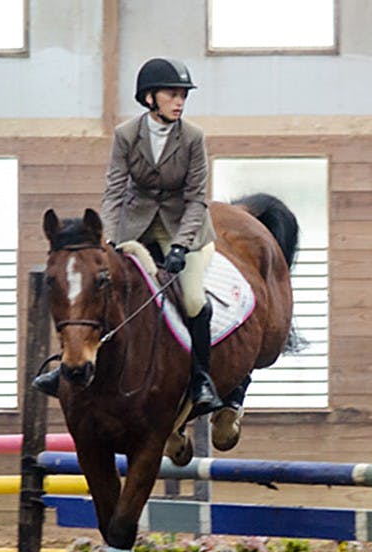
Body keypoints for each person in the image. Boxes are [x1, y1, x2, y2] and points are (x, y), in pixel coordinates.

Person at [33, 57, 223, 418]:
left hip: (183, 227)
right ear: (150, 98)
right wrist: (105, 239)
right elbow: (115, 190)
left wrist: (181, 245)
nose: (180, 101)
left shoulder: (193, 137)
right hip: (136, 227)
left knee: (193, 299)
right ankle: (69, 364)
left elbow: (197, 199)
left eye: (183, 95)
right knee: (97, 290)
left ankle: (201, 379)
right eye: (172, 94)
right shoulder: (126, 135)